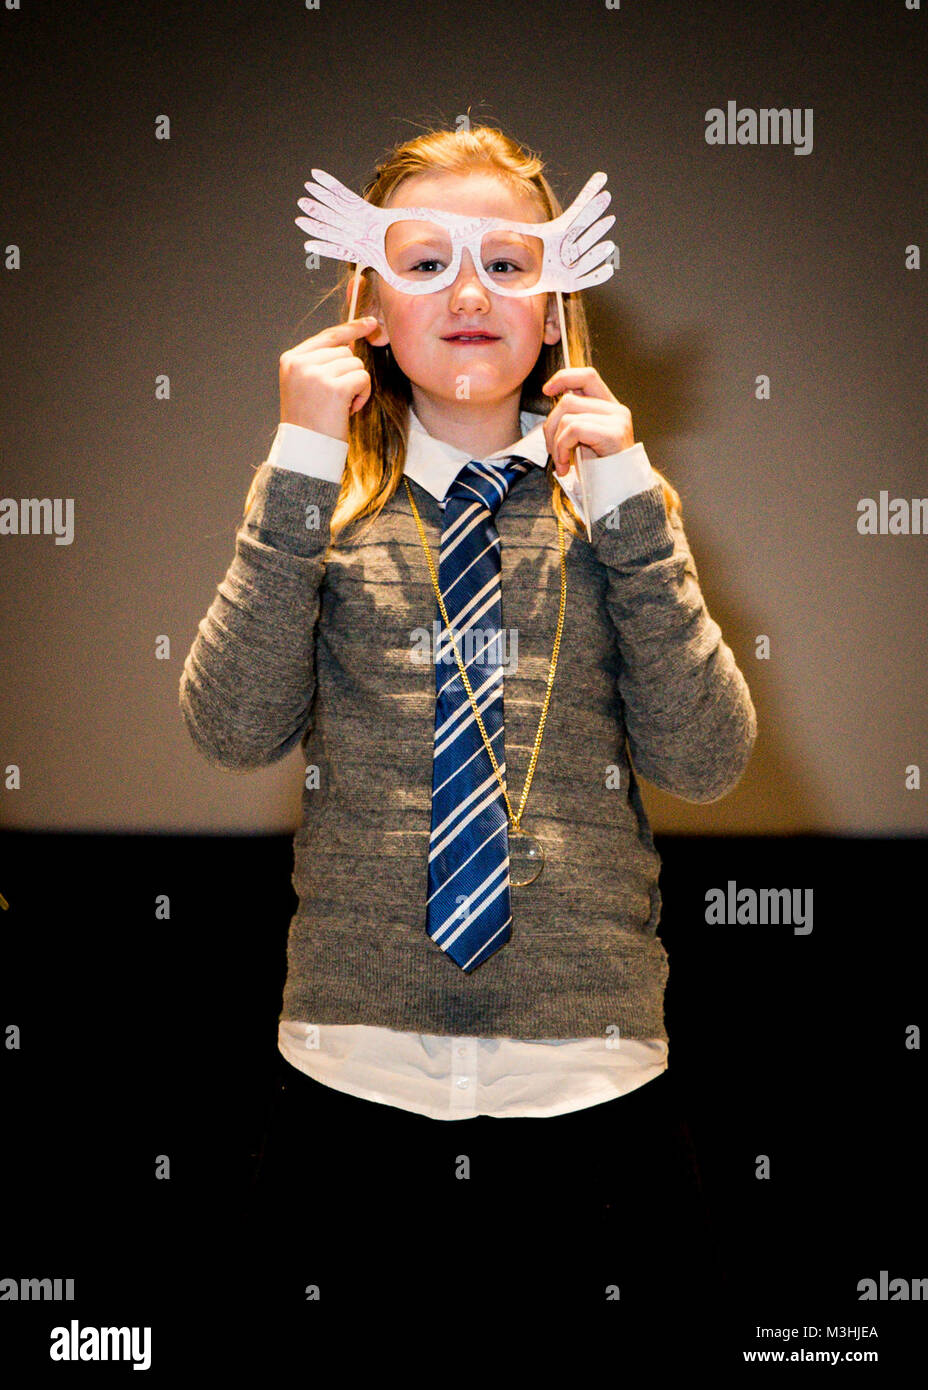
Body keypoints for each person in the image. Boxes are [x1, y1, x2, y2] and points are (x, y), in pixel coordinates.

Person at [179, 123, 756, 1307]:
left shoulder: (616, 507)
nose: (469, 290)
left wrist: (633, 509)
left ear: (552, 309)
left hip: (593, 1086)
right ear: (370, 308)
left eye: (506, 262)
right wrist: (296, 453)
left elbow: (705, 761)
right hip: (350, 1079)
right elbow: (233, 727)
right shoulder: (318, 503)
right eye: (426, 259)